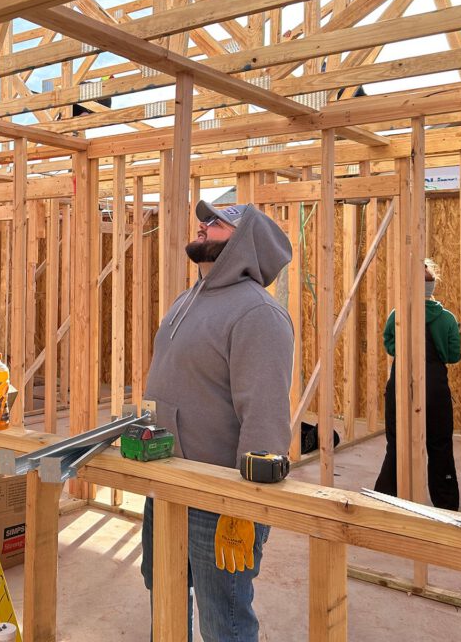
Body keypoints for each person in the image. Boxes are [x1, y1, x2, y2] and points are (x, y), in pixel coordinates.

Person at [140, 200, 294, 642]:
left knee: (222, 616)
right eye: (203, 219)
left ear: (245, 242)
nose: (203, 226)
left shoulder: (256, 313)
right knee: (164, 596)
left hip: (218, 498)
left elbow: (264, 415)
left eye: (218, 222)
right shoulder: (188, 299)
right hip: (167, 483)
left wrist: (244, 507)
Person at [373, 258, 461, 510]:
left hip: (401, 385)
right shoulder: (446, 319)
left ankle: (385, 500)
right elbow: (454, 356)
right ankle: (446, 505)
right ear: (432, 286)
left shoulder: (398, 315)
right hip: (435, 390)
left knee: (397, 443)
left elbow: (389, 343)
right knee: (440, 446)